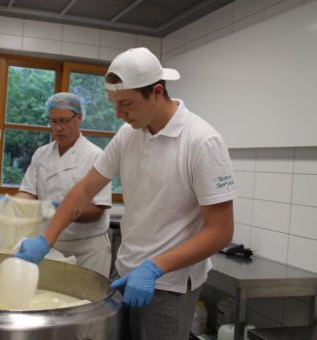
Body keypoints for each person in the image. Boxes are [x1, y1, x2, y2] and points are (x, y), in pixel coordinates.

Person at [15, 47, 237, 340]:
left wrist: (155, 267)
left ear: (156, 92)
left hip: (168, 284)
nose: (120, 113)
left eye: (127, 104)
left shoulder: (202, 141)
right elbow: (85, 188)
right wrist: (47, 238)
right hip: (124, 273)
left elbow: (221, 232)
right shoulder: (129, 133)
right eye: (114, 104)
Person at [15, 92, 113, 278]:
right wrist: (12, 203)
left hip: (86, 250)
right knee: (50, 301)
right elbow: (28, 192)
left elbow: (97, 210)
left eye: (63, 121)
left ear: (78, 118)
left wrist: (58, 211)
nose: (57, 128)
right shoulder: (41, 154)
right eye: (52, 122)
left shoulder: (95, 155)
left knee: (85, 303)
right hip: (49, 245)